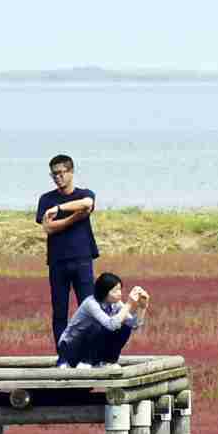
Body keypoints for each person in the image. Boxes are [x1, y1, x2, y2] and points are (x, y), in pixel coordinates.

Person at [34, 153, 98, 346]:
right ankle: (63, 355)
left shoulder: (84, 193)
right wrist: (73, 218)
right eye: (54, 174)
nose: (58, 177)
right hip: (57, 261)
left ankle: (90, 353)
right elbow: (48, 227)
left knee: (89, 308)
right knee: (59, 311)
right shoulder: (46, 199)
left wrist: (59, 209)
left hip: (82, 259)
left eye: (62, 173)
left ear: (71, 172)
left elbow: (87, 204)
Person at [55, 273, 149, 367]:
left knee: (125, 328)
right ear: (104, 292)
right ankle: (84, 363)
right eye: (115, 291)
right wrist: (129, 303)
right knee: (97, 326)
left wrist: (142, 307)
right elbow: (111, 325)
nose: (120, 294)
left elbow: (133, 325)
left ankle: (108, 362)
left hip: (89, 347)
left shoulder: (115, 303)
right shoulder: (91, 304)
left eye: (120, 289)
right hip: (70, 348)